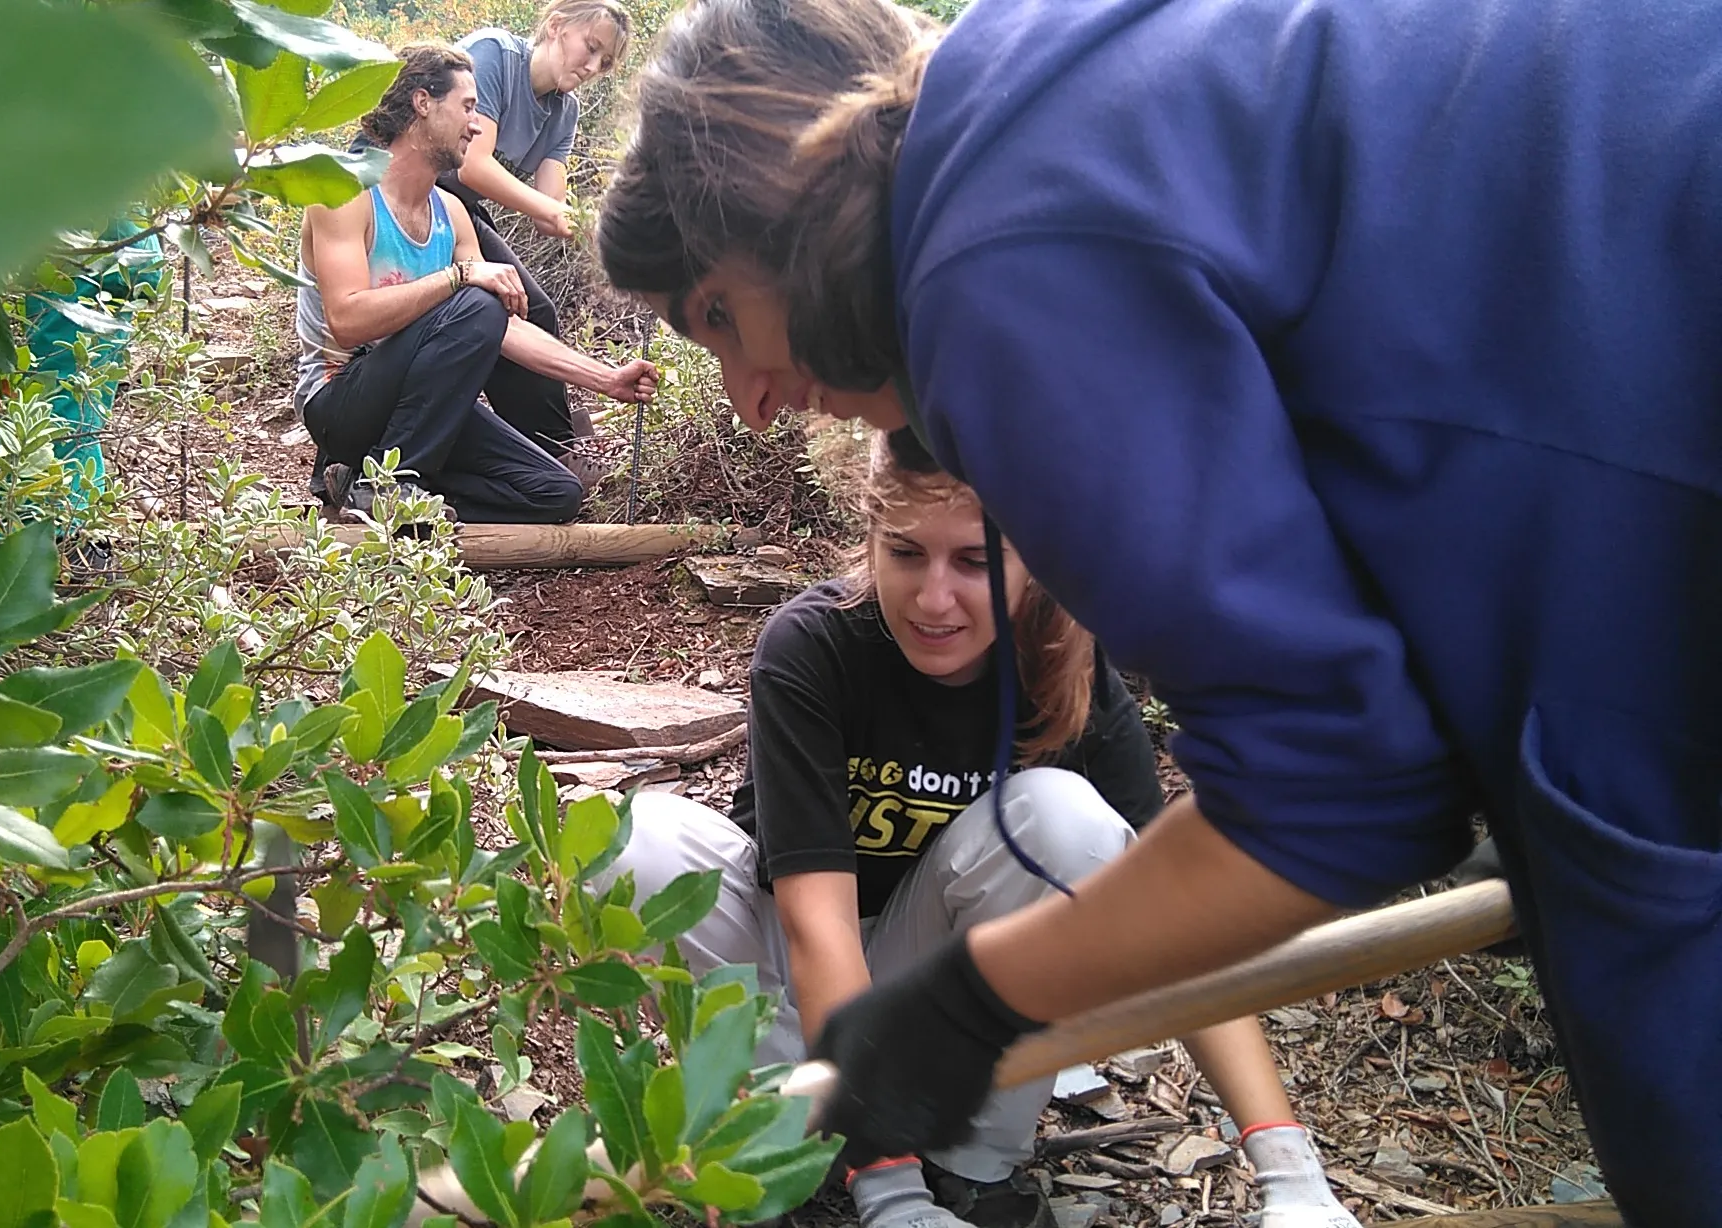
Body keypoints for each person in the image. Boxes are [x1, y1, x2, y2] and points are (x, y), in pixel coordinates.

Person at [591, 0, 1722, 1223]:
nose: (749, 401)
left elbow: (1337, 795)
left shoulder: (987, 259)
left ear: (779, 189)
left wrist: (967, 1004)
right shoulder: (1039, 78)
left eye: (717, 316)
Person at [606, 432, 1359, 1228]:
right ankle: (790, 1128)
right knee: (635, 836)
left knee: (1063, 821)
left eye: (974, 562)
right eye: (906, 553)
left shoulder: (1069, 678)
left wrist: (1288, 1171)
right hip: (796, 975)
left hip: (938, 1000)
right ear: (870, 539)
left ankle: (972, 1163)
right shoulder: (814, 647)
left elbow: (1182, 924)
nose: (935, 599)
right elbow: (814, 924)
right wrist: (887, 1192)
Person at [297, 43, 655, 523]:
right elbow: (346, 320)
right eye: (468, 107)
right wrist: (460, 277)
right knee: (477, 299)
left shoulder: (452, 213)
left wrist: (606, 379)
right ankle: (392, 486)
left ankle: (369, 486)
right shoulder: (345, 193)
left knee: (555, 494)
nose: (476, 124)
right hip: (339, 401)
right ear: (422, 103)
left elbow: (502, 326)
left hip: (415, 410)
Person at [442, 0, 632, 472]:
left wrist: (609, 233)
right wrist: (553, 210)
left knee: (533, 306)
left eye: (604, 63)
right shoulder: (493, 57)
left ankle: (545, 445)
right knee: (509, 307)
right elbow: (473, 164)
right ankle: (555, 448)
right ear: (555, 26)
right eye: (590, 48)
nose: (592, 67)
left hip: (459, 207)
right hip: (417, 192)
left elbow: (553, 212)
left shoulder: (563, 109)